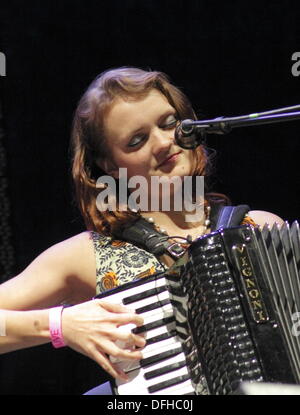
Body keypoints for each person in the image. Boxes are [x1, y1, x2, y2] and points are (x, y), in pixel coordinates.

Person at [0, 67, 283, 394]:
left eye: (169, 123)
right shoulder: (87, 254)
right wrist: (59, 325)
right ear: (107, 165)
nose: (164, 143)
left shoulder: (260, 228)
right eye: (137, 140)